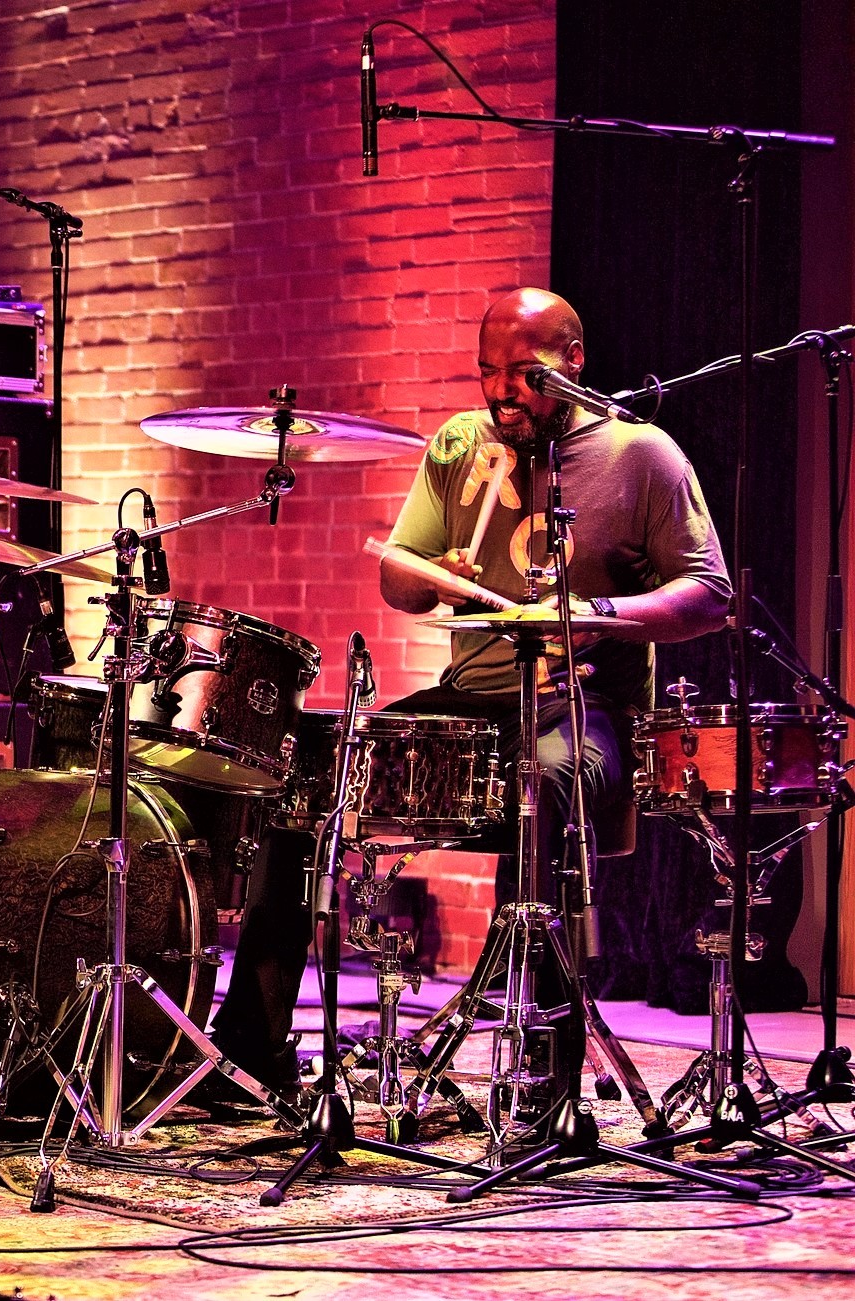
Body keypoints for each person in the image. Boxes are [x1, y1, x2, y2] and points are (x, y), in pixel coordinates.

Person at [210, 287, 731, 1103]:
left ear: (574, 363)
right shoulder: (461, 443)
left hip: (582, 708)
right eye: (487, 372)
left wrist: (601, 614)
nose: (500, 392)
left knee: (546, 784)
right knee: (310, 767)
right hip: (473, 701)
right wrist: (434, 581)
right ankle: (248, 1052)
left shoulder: (641, 455)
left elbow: (708, 592)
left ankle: (540, 1065)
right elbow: (398, 576)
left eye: (525, 375)